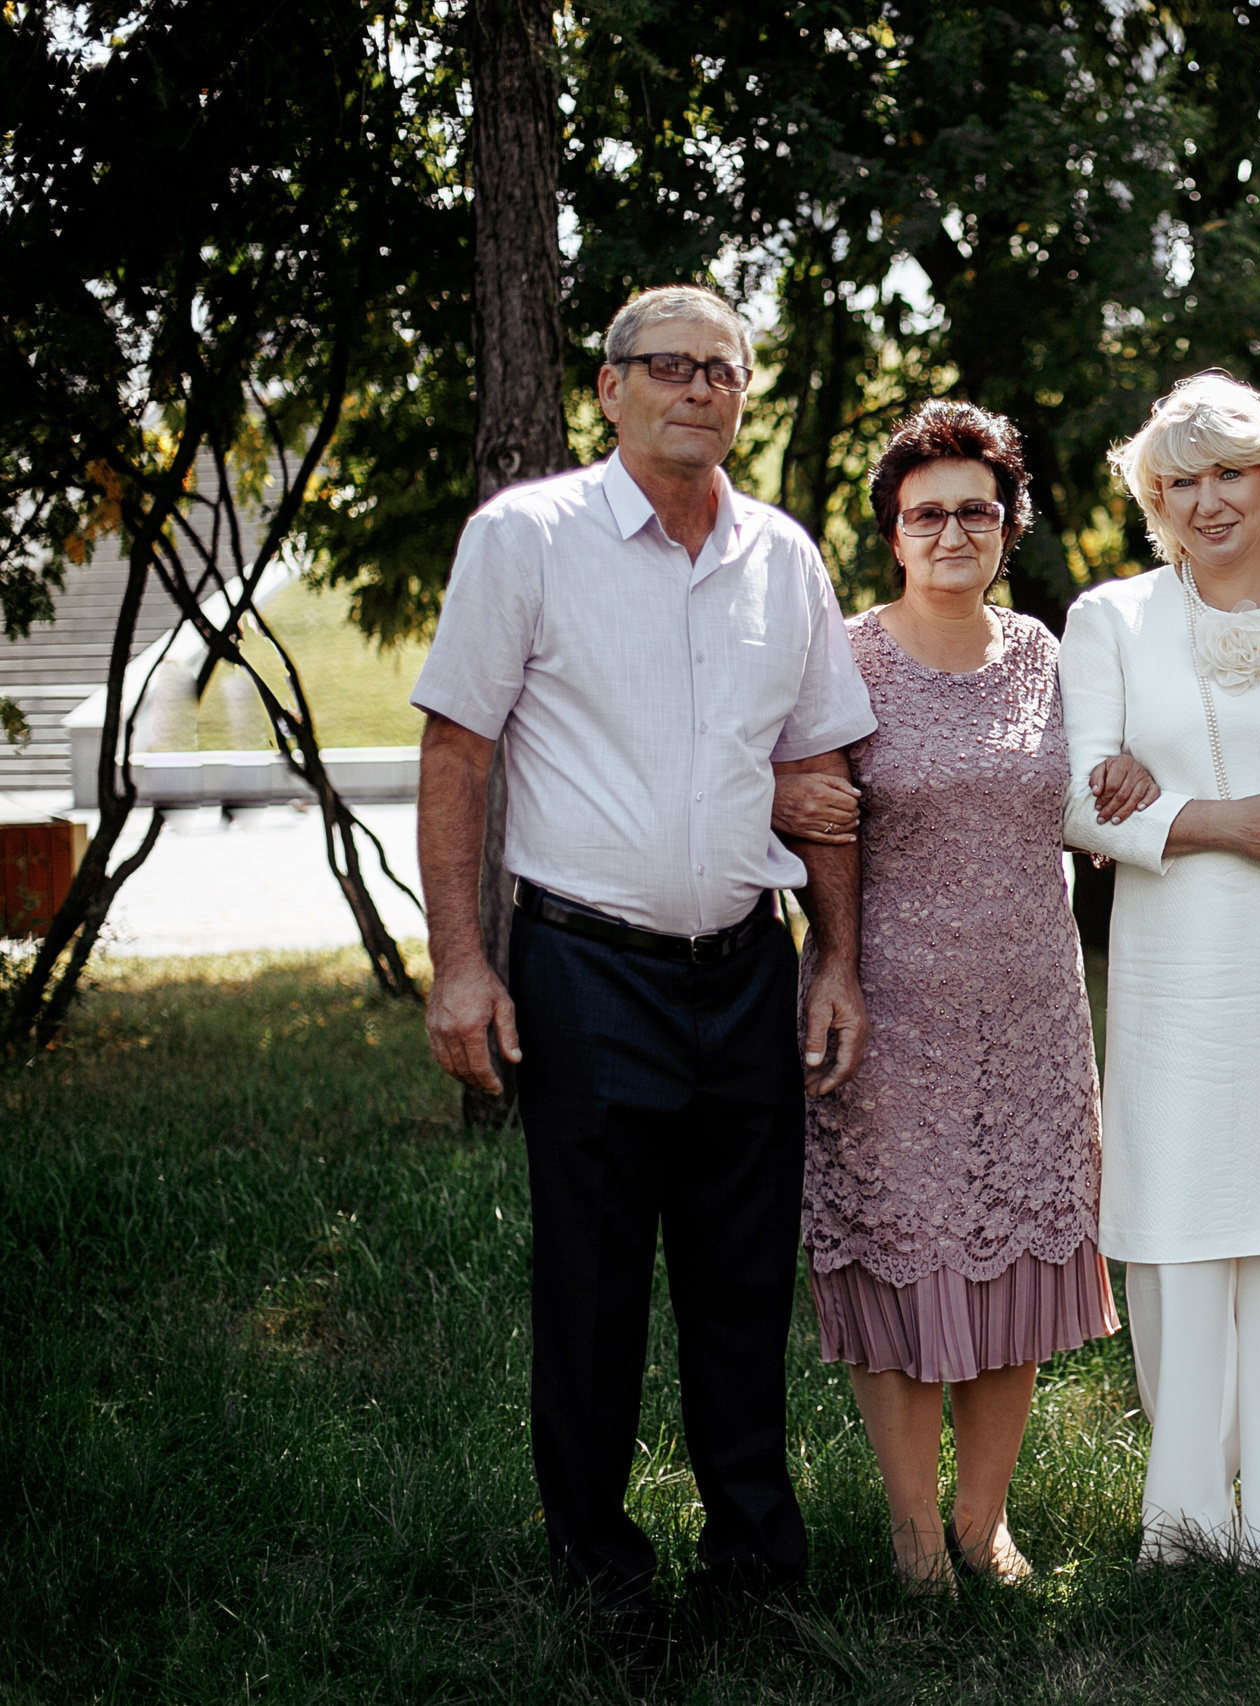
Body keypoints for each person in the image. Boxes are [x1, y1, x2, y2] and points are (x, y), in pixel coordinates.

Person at [412, 284, 874, 1649]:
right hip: (584, 968)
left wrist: (835, 957)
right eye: (667, 366)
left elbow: (821, 773)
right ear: (608, 389)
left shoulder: (783, 556)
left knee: (743, 1279)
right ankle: (601, 1575)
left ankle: (754, 1572)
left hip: (747, 968)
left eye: (723, 369)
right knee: (595, 1285)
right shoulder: (528, 538)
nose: (698, 389)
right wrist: (459, 965)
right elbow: (458, 753)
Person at [781, 400, 1123, 1593]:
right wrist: (829, 953)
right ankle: (915, 1535)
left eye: (976, 509)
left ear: (1008, 522)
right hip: (889, 1011)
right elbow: (808, 808)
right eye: (926, 513)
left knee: (1015, 1265)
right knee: (906, 1260)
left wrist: (1129, 769)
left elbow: (1096, 782)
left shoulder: (1044, 653)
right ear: (893, 532)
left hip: (1033, 1008)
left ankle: (988, 1523)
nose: (951, 531)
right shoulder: (845, 656)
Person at [1060, 372, 1260, 1566]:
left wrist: (1159, 797)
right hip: (1177, 982)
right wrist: (1217, 820)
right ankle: (1188, 1525)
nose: (1205, 500)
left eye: (1227, 473)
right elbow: (1076, 797)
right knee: (1185, 1240)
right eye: (1179, 480)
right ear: (1155, 497)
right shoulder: (1113, 619)